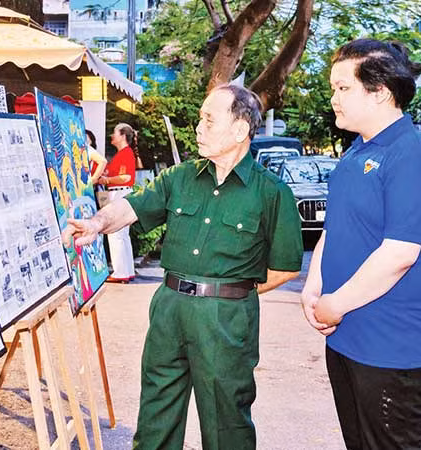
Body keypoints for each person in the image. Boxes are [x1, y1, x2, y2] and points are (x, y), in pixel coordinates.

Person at [62, 84, 303, 449]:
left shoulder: (271, 193)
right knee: (157, 411)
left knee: (227, 421)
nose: (199, 127)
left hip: (226, 317)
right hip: (170, 307)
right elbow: (132, 207)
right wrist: (96, 224)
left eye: (209, 119)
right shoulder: (181, 177)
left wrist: (231, 292)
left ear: (240, 130)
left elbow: (286, 267)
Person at [301, 38, 421, 449]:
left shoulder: (412, 155)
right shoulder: (355, 153)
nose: (334, 99)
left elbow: (400, 253)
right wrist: (313, 286)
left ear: (380, 91)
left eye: (343, 88)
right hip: (348, 338)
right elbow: (335, 228)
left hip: (394, 350)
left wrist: (335, 303)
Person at [98, 123, 138, 282]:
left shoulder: (125, 154)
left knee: (115, 233)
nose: (111, 136)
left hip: (119, 192)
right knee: (122, 235)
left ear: (122, 136)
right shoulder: (124, 154)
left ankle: (120, 272)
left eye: (114, 133)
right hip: (121, 192)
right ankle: (126, 270)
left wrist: (106, 179)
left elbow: (126, 177)